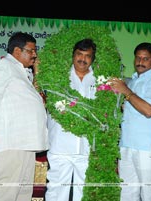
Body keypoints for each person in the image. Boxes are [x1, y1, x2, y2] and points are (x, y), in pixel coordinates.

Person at [0, 31, 48, 201]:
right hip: (9, 145)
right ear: (17, 52)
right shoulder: (3, 67)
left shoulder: (23, 72)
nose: (35, 54)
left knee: (22, 194)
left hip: (25, 145)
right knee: (3, 193)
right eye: (31, 51)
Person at [110, 42, 151, 201]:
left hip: (146, 147)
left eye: (145, 59)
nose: (140, 62)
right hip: (127, 144)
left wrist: (126, 91)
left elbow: (149, 110)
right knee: (127, 191)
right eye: (138, 58)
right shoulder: (134, 80)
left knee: (149, 193)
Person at [45, 38, 97, 201]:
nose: (83, 59)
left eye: (88, 56)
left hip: (87, 147)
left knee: (85, 194)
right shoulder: (58, 78)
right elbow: (55, 105)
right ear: (73, 56)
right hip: (61, 145)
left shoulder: (101, 81)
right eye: (79, 54)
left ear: (93, 59)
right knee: (56, 192)